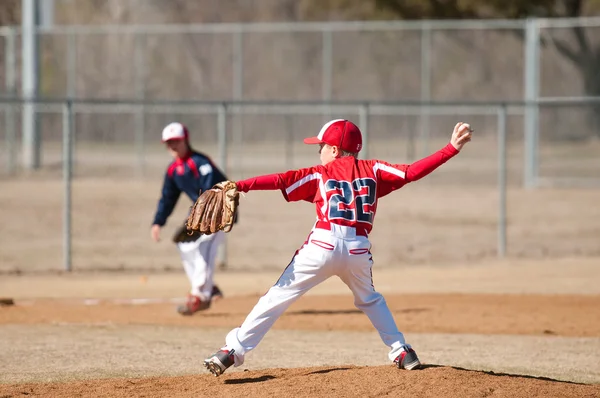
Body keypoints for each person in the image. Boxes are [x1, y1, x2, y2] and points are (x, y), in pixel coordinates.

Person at [203, 119, 473, 376]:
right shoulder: (374, 169)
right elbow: (412, 171)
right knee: (371, 300)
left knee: (277, 297)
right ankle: (402, 351)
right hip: (357, 248)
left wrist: (240, 185)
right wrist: (450, 149)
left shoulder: (321, 173)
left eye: (321, 147)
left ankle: (232, 350)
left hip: (323, 244)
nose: (319, 151)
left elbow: (282, 180)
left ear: (334, 149)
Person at [151, 122, 230, 316]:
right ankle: (208, 288)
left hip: (220, 209)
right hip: (200, 212)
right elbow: (167, 198)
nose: (172, 146)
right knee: (184, 244)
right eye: (168, 143)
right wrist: (158, 222)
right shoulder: (173, 170)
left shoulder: (200, 162)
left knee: (204, 247)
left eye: (176, 141)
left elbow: (212, 189)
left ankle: (199, 296)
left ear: (185, 140)